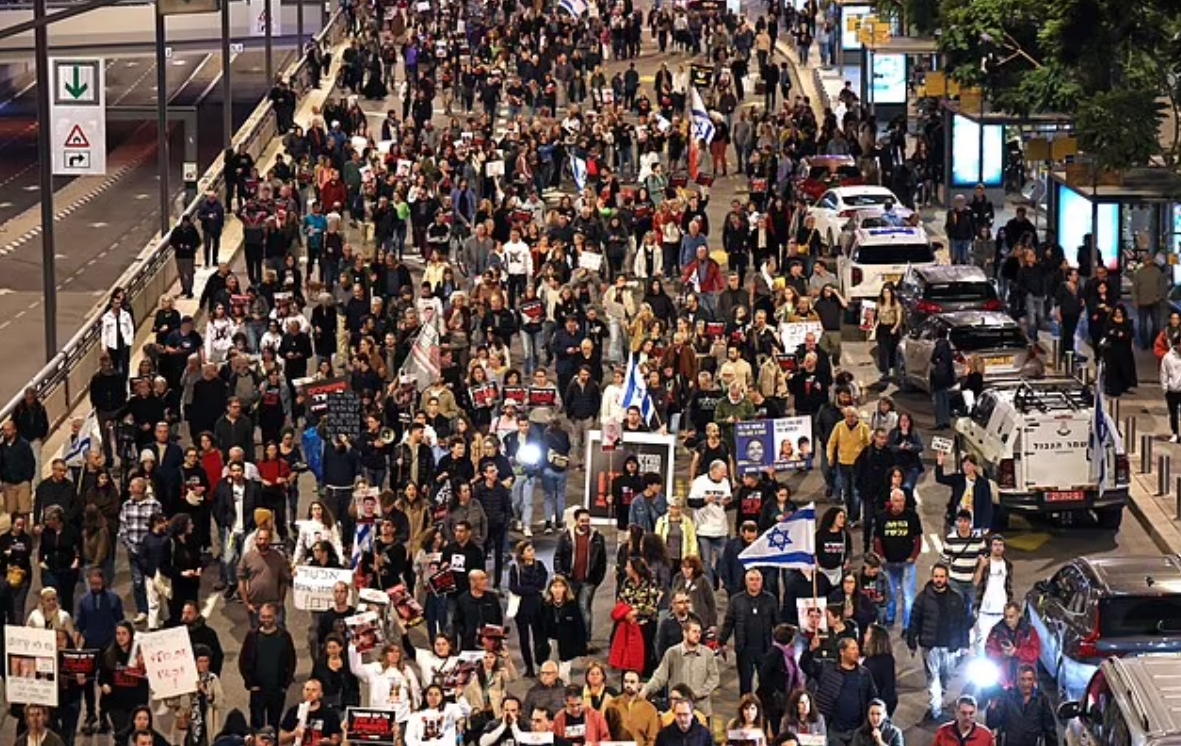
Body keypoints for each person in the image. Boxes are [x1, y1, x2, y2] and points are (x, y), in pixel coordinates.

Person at [907, 563, 972, 722]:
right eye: (936, 576)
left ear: (947, 578)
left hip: (951, 647)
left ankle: (939, 697)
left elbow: (963, 623)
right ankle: (936, 709)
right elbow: (914, 620)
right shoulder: (922, 598)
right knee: (933, 679)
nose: (938, 580)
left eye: (942, 577)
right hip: (931, 647)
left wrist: (965, 645)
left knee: (946, 677)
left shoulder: (956, 598)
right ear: (932, 577)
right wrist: (912, 642)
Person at [799, 637, 877, 745]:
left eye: (857, 649)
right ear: (842, 652)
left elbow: (873, 697)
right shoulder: (826, 668)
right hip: (833, 730)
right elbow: (806, 665)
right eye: (853, 649)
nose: (857, 652)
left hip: (856, 730)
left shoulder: (864, 673)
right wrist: (810, 650)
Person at [642, 617, 720, 716]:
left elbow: (714, 678)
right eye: (694, 631)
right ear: (685, 633)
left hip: (701, 710)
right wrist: (646, 689)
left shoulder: (707, 653)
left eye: (699, 632)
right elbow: (660, 676)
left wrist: (698, 693)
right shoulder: (673, 653)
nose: (697, 635)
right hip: (678, 710)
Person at [554, 508, 607, 653]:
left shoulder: (597, 538)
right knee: (569, 610)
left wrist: (596, 580)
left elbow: (602, 561)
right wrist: (562, 575)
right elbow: (558, 557)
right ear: (576, 521)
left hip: (588, 581)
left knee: (584, 609)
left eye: (587, 520)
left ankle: (586, 641)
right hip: (570, 580)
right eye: (582, 521)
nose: (585, 523)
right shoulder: (565, 537)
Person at [718, 569, 779, 696]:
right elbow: (729, 622)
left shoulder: (770, 599)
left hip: (765, 649)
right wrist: (722, 641)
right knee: (745, 686)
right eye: (751, 580)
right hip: (744, 649)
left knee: (766, 684)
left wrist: (782, 644)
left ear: (762, 581)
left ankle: (765, 711)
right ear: (746, 582)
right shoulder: (736, 600)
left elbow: (777, 623)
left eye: (757, 580)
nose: (755, 583)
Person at [239, 603, 297, 729]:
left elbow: (291, 661)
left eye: (269, 617)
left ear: (275, 617)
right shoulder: (252, 636)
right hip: (257, 690)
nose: (266, 620)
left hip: (277, 690)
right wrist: (250, 683)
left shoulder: (284, 636)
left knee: (274, 725)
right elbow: (243, 661)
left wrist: (285, 685)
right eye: (263, 617)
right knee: (256, 725)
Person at [872, 489, 922, 628]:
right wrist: (880, 555)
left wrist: (913, 556)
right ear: (891, 501)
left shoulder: (912, 516)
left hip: (907, 563)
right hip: (889, 563)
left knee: (909, 596)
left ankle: (907, 625)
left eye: (901, 501)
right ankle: (890, 617)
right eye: (896, 500)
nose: (899, 504)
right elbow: (877, 539)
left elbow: (917, 538)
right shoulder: (882, 517)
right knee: (891, 594)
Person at [985, 664, 1057, 746]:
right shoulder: (1006, 697)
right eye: (1022, 679)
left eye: (1029, 679)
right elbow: (992, 723)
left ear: (1034, 681)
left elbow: (1050, 730)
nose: (1026, 683)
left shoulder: (1042, 700)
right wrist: (992, 709)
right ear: (1017, 680)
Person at [757, 624, 804, 736]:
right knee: (776, 726)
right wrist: (774, 691)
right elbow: (763, 675)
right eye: (793, 637)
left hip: (785, 697)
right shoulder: (774, 653)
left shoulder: (789, 654)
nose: (795, 640)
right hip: (773, 700)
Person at [984, 602, 1041, 692]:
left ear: (1019, 614)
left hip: (1024, 680)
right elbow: (989, 651)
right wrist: (1003, 654)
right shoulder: (996, 631)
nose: (1008, 620)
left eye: (1011, 616)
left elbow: (1034, 653)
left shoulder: (1029, 631)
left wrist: (1016, 652)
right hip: (1001, 680)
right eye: (1006, 616)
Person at [973, 534, 1014, 654]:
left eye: (1000, 545)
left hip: (1002, 611)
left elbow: (1009, 587)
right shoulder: (985, 563)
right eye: (995, 545)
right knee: (982, 642)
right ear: (990, 547)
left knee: (1002, 642)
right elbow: (975, 582)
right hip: (985, 611)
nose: (998, 548)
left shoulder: (1008, 565)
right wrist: (981, 566)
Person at [935, 451, 994, 532]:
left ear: (974, 466)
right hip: (958, 518)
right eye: (964, 465)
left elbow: (987, 504)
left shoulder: (983, 483)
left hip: (975, 520)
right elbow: (940, 478)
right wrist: (939, 463)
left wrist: (986, 524)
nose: (965, 467)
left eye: (968, 465)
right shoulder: (958, 479)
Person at [278, 679, 343, 746]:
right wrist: (293, 733)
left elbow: (336, 740)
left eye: (314, 690)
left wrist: (327, 742)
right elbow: (281, 739)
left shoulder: (330, 714)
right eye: (307, 689)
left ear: (321, 694)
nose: (309, 693)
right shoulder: (293, 711)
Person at [605, 671, 661, 746]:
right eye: (626, 681)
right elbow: (605, 733)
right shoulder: (612, 705)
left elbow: (652, 738)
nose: (628, 685)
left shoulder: (650, 709)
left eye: (632, 682)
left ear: (639, 685)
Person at [861, 624, 898, 716]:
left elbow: (888, 688)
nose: (864, 635)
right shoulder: (872, 658)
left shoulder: (884, 661)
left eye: (868, 634)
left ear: (875, 639)